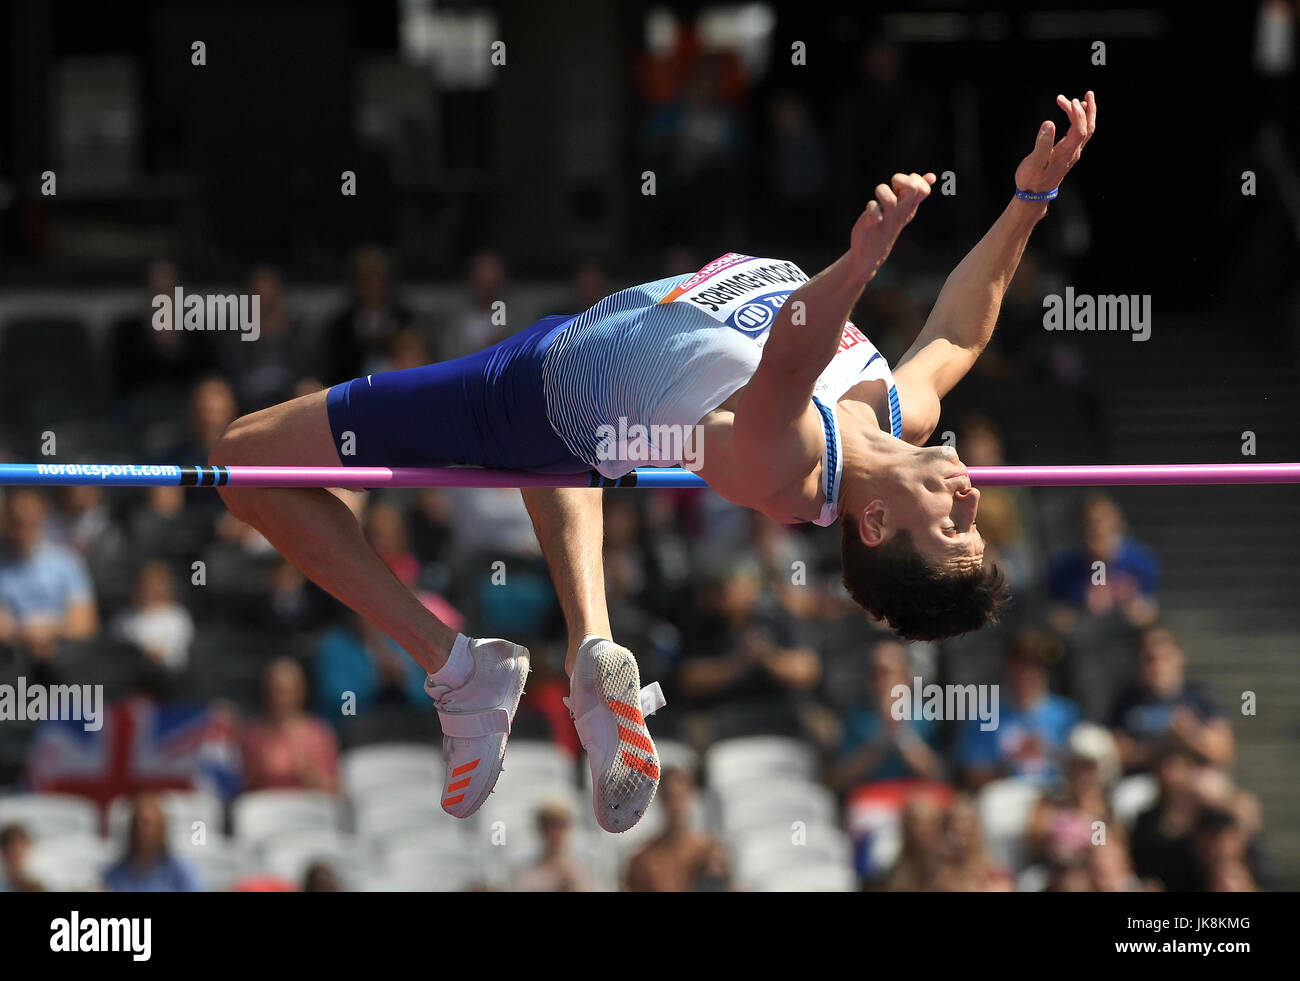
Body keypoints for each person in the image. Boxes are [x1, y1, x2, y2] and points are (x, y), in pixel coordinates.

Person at [210, 93, 1098, 831]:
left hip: (524, 393)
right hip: (593, 378)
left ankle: (453, 667)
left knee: (243, 461)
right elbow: (959, 329)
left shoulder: (787, 469)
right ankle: (589, 650)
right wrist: (1030, 202)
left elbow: (790, 357)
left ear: (873, 523)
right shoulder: (899, 409)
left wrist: (859, 265)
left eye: (954, 530)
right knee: (581, 454)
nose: (973, 500)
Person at [103, 793, 204, 892]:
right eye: (138, 823)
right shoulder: (114, 874)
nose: (142, 831)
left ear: (162, 827)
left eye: (148, 824)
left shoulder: (181, 871)